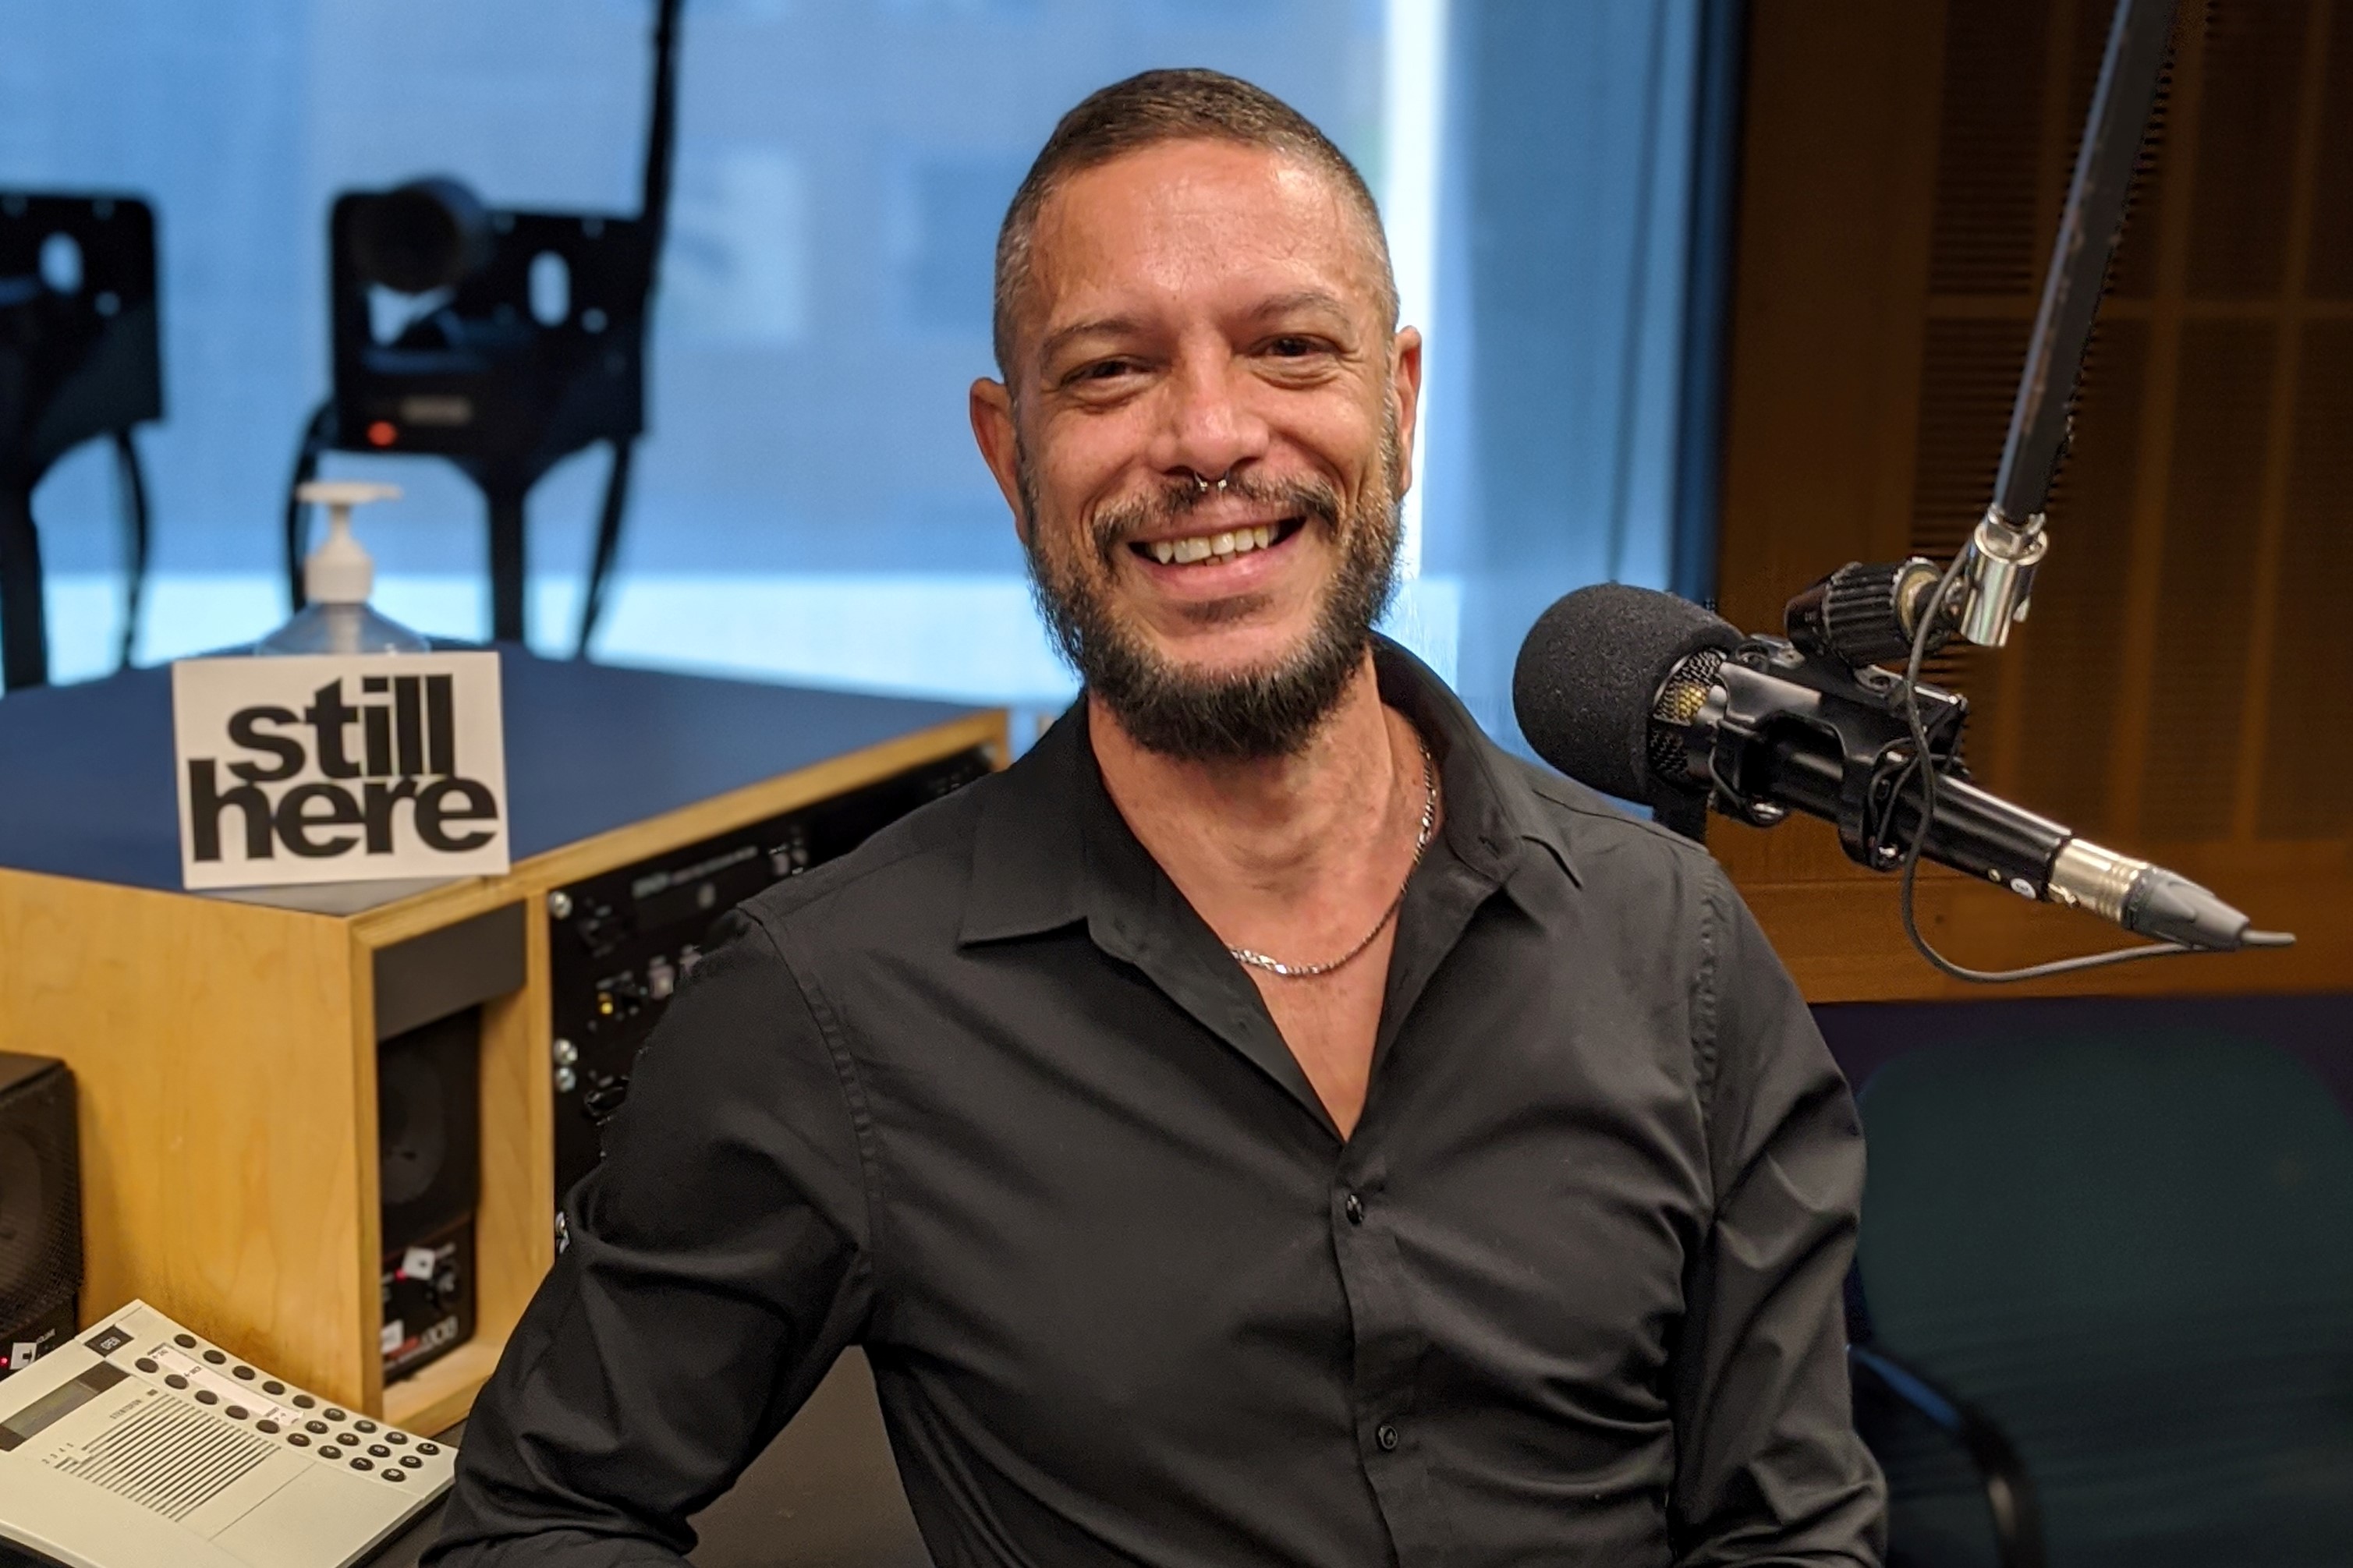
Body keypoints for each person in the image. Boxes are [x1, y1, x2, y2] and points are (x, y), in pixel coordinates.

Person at [430, 68, 1886, 1567]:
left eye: (1287, 349)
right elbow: (537, 1520)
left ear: (1395, 404)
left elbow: (1789, 1531)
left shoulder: (1674, 947)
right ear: (1011, 458)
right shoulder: (824, 1008)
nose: (1206, 436)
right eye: (1112, 372)